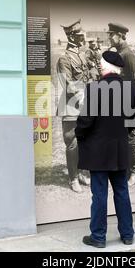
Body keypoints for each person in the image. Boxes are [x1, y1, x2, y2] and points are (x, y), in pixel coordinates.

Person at [75, 50, 135, 248]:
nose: (100, 65)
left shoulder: (95, 89)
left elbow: (86, 121)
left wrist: (79, 133)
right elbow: (132, 122)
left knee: (99, 194)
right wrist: (120, 133)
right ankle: (128, 235)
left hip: (98, 151)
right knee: (122, 191)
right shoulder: (128, 90)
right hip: (119, 150)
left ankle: (99, 238)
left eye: (102, 63)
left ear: (108, 67)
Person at [56, 19, 91, 193]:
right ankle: (73, 178)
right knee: (72, 142)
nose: (82, 38)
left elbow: (86, 76)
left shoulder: (82, 55)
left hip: (84, 102)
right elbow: (67, 83)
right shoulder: (64, 58)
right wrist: (82, 97)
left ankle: (84, 173)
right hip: (71, 105)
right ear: (71, 37)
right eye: (79, 35)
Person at [107, 22, 135, 186]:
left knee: (129, 136)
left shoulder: (128, 55)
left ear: (120, 36)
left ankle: (134, 172)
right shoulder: (117, 53)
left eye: (111, 34)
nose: (109, 37)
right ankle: (123, 168)